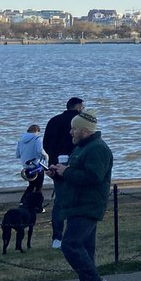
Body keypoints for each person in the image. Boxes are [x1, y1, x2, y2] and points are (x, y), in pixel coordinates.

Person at [47, 110, 112, 281]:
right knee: (85, 248)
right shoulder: (82, 147)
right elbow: (76, 172)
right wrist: (59, 173)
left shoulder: (98, 149)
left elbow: (94, 177)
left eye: (74, 129)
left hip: (88, 205)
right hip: (77, 203)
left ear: (84, 131)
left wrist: (67, 171)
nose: (70, 132)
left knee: (70, 244)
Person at [43, 96, 83, 248]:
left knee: (59, 201)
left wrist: (53, 157)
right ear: (78, 107)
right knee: (78, 200)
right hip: (76, 165)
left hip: (55, 165)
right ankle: (75, 235)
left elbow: (46, 144)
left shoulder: (53, 121)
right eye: (82, 107)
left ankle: (57, 238)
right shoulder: (79, 121)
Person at [15, 124, 44, 192]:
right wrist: (46, 156)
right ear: (36, 131)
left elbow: (17, 155)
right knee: (38, 187)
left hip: (26, 167)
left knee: (31, 185)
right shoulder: (38, 138)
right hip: (36, 166)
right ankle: (34, 201)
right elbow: (40, 151)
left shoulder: (21, 140)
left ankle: (25, 201)